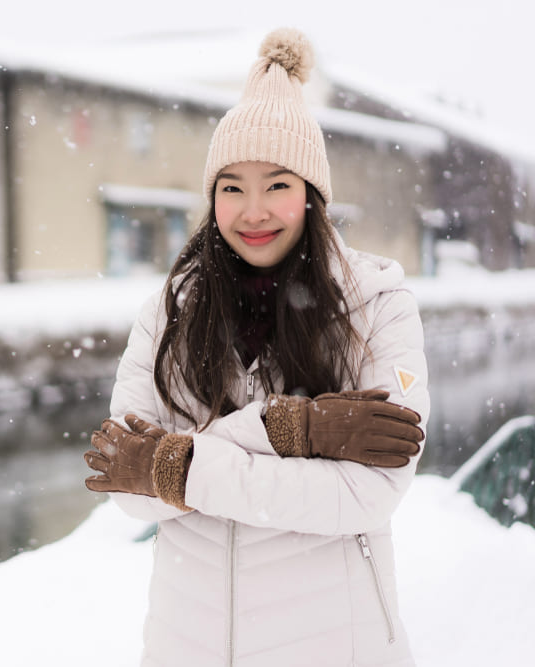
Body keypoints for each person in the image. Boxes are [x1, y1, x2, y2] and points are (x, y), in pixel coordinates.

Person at [83, 28, 429, 667]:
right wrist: (290, 431)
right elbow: (125, 483)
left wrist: (178, 468)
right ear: (212, 198)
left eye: (277, 184)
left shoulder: (379, 307)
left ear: (311, 195)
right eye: (232, 187)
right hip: (188, 644)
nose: (253, 210)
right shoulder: (171, 312)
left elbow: (369, 492)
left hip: (334, 643)